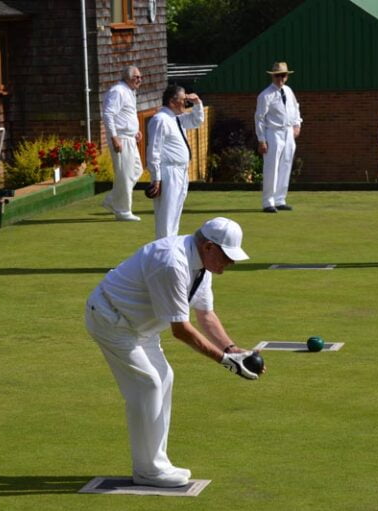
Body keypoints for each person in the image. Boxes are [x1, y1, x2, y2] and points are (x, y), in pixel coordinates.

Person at [85, 217, 262, 487]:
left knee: (164, 379)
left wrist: (232, 349)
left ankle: (157, 463)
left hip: (141, 327)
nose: (231, 264)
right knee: (148, 385)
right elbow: (180, 330)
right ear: (210, 247)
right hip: (112, 321)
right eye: (228, 256)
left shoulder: (201, 266)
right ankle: (147, 471)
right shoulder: (172, 263)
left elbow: (206, 315)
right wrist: (226, 362)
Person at [146, 84, 204, 239]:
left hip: (181, 171)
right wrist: (156, 178)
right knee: (166, 216)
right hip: (168, 172)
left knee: (175, 215)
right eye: (183, 99)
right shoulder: (160, 120)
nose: (186, 103)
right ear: (172, 102)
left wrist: (197, 102)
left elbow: (197, 121)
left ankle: (169, 250)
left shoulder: (176, 119)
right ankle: (163, 253)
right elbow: (153, 151)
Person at [255, 62, 302, 213]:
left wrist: (297, 124)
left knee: (286, 165)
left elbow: (295, 108)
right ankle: (268, 202)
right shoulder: (265, 95)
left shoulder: (288, 91)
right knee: (271, 167)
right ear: (272, 76)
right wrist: (261, 139)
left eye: (283, 75)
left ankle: (280, 199)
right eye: (277, 75)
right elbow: (259, 118)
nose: (280, 78)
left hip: (288, 132)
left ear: (287, 77)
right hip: (273, 132)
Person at [101, 66, 144, 222]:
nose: (139, 79)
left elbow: (126, 115)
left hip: (129, 137)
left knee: (137, 170)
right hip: (121, 138)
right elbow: (108, 114)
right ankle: (122, 211)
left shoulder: (130, 92)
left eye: (140, 77)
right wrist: (114, 137)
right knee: (124, 174)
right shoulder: (118, 91)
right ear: (127, 77)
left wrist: (135, 131)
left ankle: (113, 199)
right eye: (136, 77)